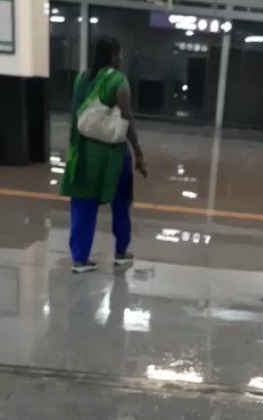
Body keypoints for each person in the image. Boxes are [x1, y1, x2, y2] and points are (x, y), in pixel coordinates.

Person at [60, 37, 147, 274]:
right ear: (113, 55)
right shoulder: (118, 81)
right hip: (112, 157)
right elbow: (127, 121)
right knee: (121, 202)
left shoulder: (82, 79)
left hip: (84, 154)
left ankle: (79, 260)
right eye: (119, 54)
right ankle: (120, 252)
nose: (121, 58)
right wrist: (138, 152)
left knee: (82, 204)